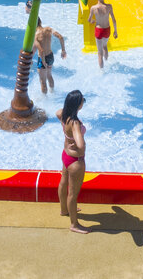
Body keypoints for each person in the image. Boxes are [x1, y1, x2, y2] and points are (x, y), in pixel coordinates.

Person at [58, 89, 88, 233]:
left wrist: (70, 141)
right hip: (75, 161)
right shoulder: (75, 123)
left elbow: (57, 112)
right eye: (83, 100)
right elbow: (81, 146)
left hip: (65, 155)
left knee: (63, 182)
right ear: (78, 104)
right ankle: (74, 225)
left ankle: (64, 210)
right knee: (73, 194)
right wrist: (78, 144)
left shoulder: (64, 115)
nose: (83, 101)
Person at [33, 15, 66, 94]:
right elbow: (60, 37)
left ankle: (45, 100)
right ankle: (52, 92)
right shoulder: (48, 29)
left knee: (42, 81)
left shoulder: (35, 35)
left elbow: (40, 50)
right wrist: (63, 50)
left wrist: (43, 62)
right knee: (49, 75)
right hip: (50, 57)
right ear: (40, 22)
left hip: (42, 58)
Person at [88, 0, 117, 69]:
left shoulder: (93, 8)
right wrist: (115, 31)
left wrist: (93, 21)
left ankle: (102, 71)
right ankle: (106, 61)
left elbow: (89, 20)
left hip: (98, 30)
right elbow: (114, 20)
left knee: (99, 53)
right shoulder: (109, 6)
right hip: (107, 30)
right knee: (105, 46)